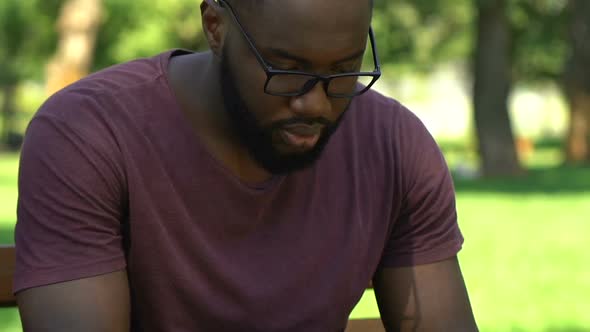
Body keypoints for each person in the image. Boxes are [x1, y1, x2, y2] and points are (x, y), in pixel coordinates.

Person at [14, 0, 478, 331]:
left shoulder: (394, 146)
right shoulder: (89, 135)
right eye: (286, 69)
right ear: (215, 26)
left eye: (344, 68)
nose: (315, 102)